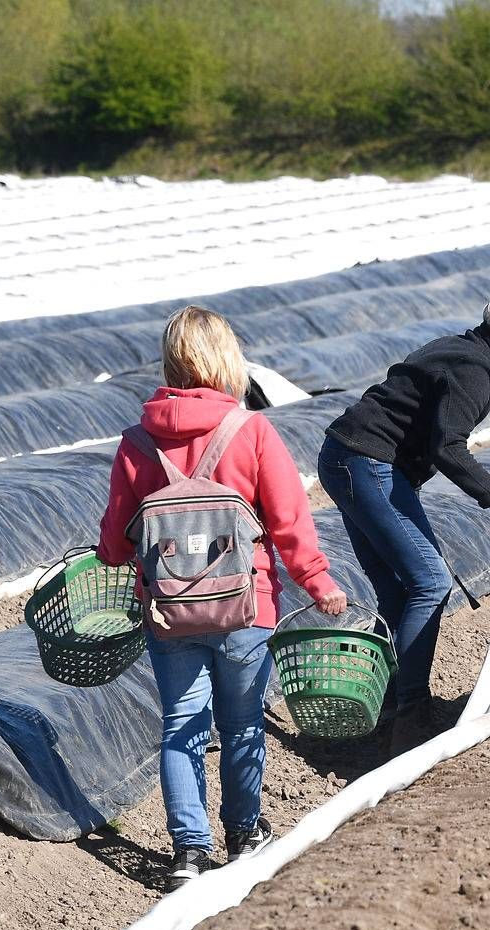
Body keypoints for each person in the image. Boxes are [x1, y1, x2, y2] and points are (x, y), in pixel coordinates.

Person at [99, 305, 346, 891]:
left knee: (181, 724)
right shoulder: (251, 430)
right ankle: (245, 833)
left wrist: (120, 555)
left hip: (168, 612)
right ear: (227, 360)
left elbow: (114, 541)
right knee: (240, 725)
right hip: (246, 605)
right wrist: (319, 582)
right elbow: (289, 522)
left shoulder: (137, 441)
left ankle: (188, 850)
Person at [317, 270, 490, 758]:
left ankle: (384, 707)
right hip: (368, 464)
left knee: (396, 589)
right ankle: (411, 713)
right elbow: (448, 446)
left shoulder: (461, 349)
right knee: (428, 582)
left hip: (345, 456)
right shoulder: (474, 369)